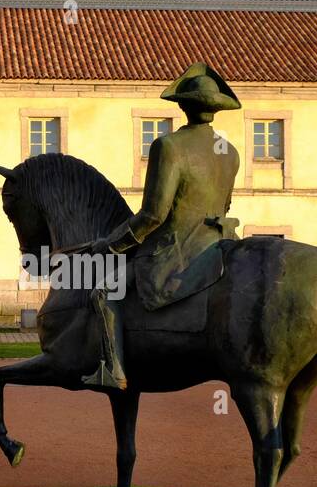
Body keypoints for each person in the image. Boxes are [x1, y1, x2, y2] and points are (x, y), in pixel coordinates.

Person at [83, 62, 242, 389]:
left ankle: (113, 371)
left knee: (103, 291)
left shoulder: (168, 146)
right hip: (221, 247)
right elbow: (224, 206)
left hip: (177, 252)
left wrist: (111, 245)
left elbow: (153, 216)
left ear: (182, 105)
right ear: (216, 110)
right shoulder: (230, 152)